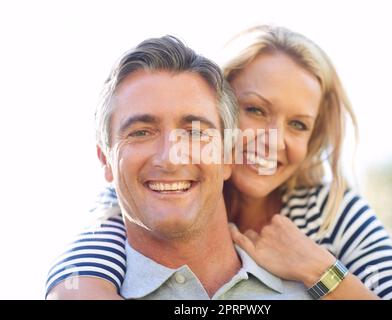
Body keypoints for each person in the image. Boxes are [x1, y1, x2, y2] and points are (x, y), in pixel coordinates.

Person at [46, 25, 392, 300]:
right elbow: (86, 260)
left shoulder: (328, 213)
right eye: (256, 110)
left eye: (297, 125)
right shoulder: (149, 194)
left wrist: (319, 269)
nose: (271, 139)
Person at [47, 35, 313, 300]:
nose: (170, 159)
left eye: (195, 132)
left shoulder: (313, 286)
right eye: (141, 133)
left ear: (229, 156)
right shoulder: (83, 284)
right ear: (106, 160)